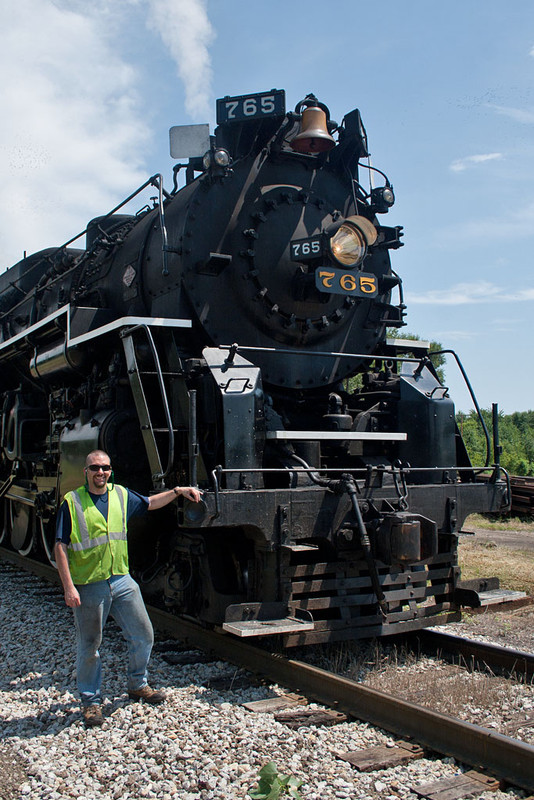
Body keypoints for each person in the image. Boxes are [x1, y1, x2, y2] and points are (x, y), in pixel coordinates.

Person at [54, 449, 202, 728]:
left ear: (110, 471)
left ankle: (137, 684)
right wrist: (69, 587)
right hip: (89, 584)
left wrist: (178, 491)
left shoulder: (120, 494)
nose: (101, 472)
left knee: (143, 633)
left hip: (121, 579)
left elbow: (150, 502)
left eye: (105, 468)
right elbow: (60, 546)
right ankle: (91, 702)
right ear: (86, 471)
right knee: (89, 646)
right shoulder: (72, 502)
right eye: (95, 468)